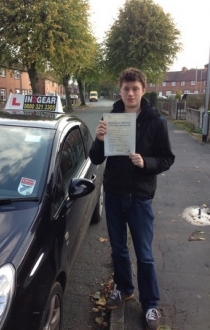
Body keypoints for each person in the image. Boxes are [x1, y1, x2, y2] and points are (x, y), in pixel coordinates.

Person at [89, 67, 175, 330]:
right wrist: (99, 139)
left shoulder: (155, 121)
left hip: (139, 197)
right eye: (126, 88)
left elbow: (166, 158)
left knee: (145, 254)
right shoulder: (112, 118)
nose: (130, 93)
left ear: (143, 90)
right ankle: (124, 288)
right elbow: (96, 158)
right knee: (118, 249)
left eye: (135, 88)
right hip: (114, 194)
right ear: (120, 90)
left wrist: (145, 162)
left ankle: (150, 304)